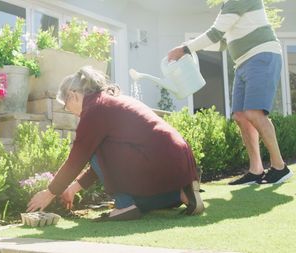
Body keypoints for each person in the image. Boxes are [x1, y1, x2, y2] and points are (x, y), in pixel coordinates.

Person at [26, 66, 204, 221]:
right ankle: (181, 194)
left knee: (94, 148)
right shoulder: (109, 100)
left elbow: (77, 158)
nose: (70, 111)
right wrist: (72, 189)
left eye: (66, 106)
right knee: (103, 150)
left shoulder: (94, 109)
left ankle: (124, 206)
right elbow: (107, 160)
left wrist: (49, 193)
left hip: (158, 159)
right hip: (177, 161)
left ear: (73, 95)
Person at [168, 0, 292, 185]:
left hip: (261, 55)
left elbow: (215, 33)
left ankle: (280, 167)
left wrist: (185, 48)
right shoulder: (229, 5)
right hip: (243, 63)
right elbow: (223, 43)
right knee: (241, 116)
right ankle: (256, 170)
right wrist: (189, 46)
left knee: (254, 112)